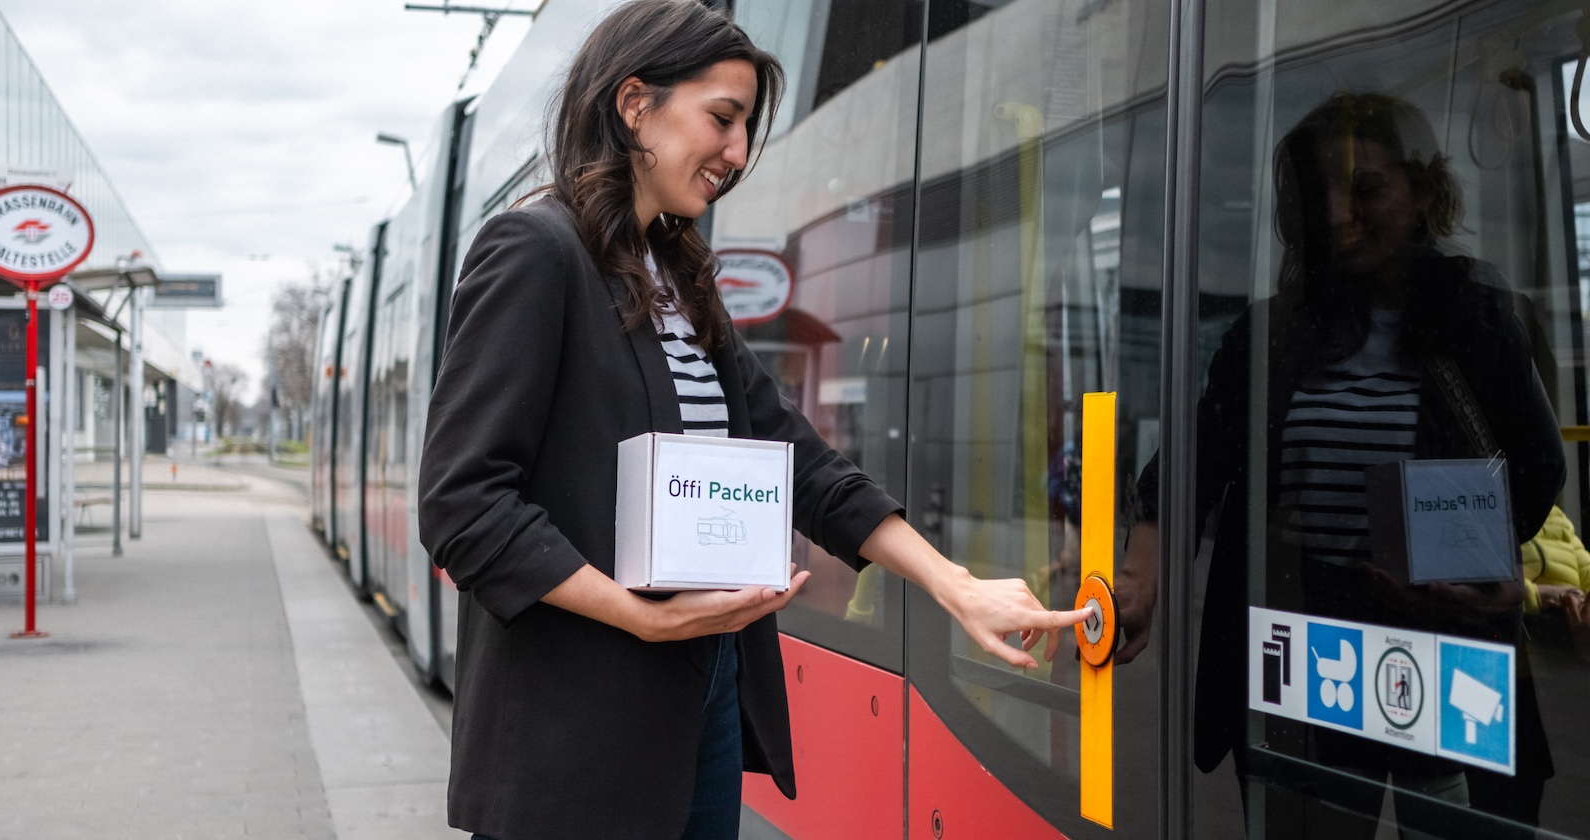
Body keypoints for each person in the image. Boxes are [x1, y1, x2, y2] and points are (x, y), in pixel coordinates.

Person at [415, 3, 1093, 838]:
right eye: (723, 118)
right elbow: (463, 504)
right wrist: (642, 616)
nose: (737, 153)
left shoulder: (677, 276)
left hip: (699, 690)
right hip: (575, 725)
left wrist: (956, 587)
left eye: (745, 129)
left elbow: (804, 465)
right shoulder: (535, 250)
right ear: (635, 104)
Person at [1114, 92, 1564, 838]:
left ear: (1423, 190)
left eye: (1366, 188)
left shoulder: (1480, 315)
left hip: (1446, 653)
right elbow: (1188, 466)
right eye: (1318, 195)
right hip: (1308, 664)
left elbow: (1537, 472)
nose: (1339, 215)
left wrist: (1480, 580)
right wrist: (1138, 582)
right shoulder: (1273, 334)